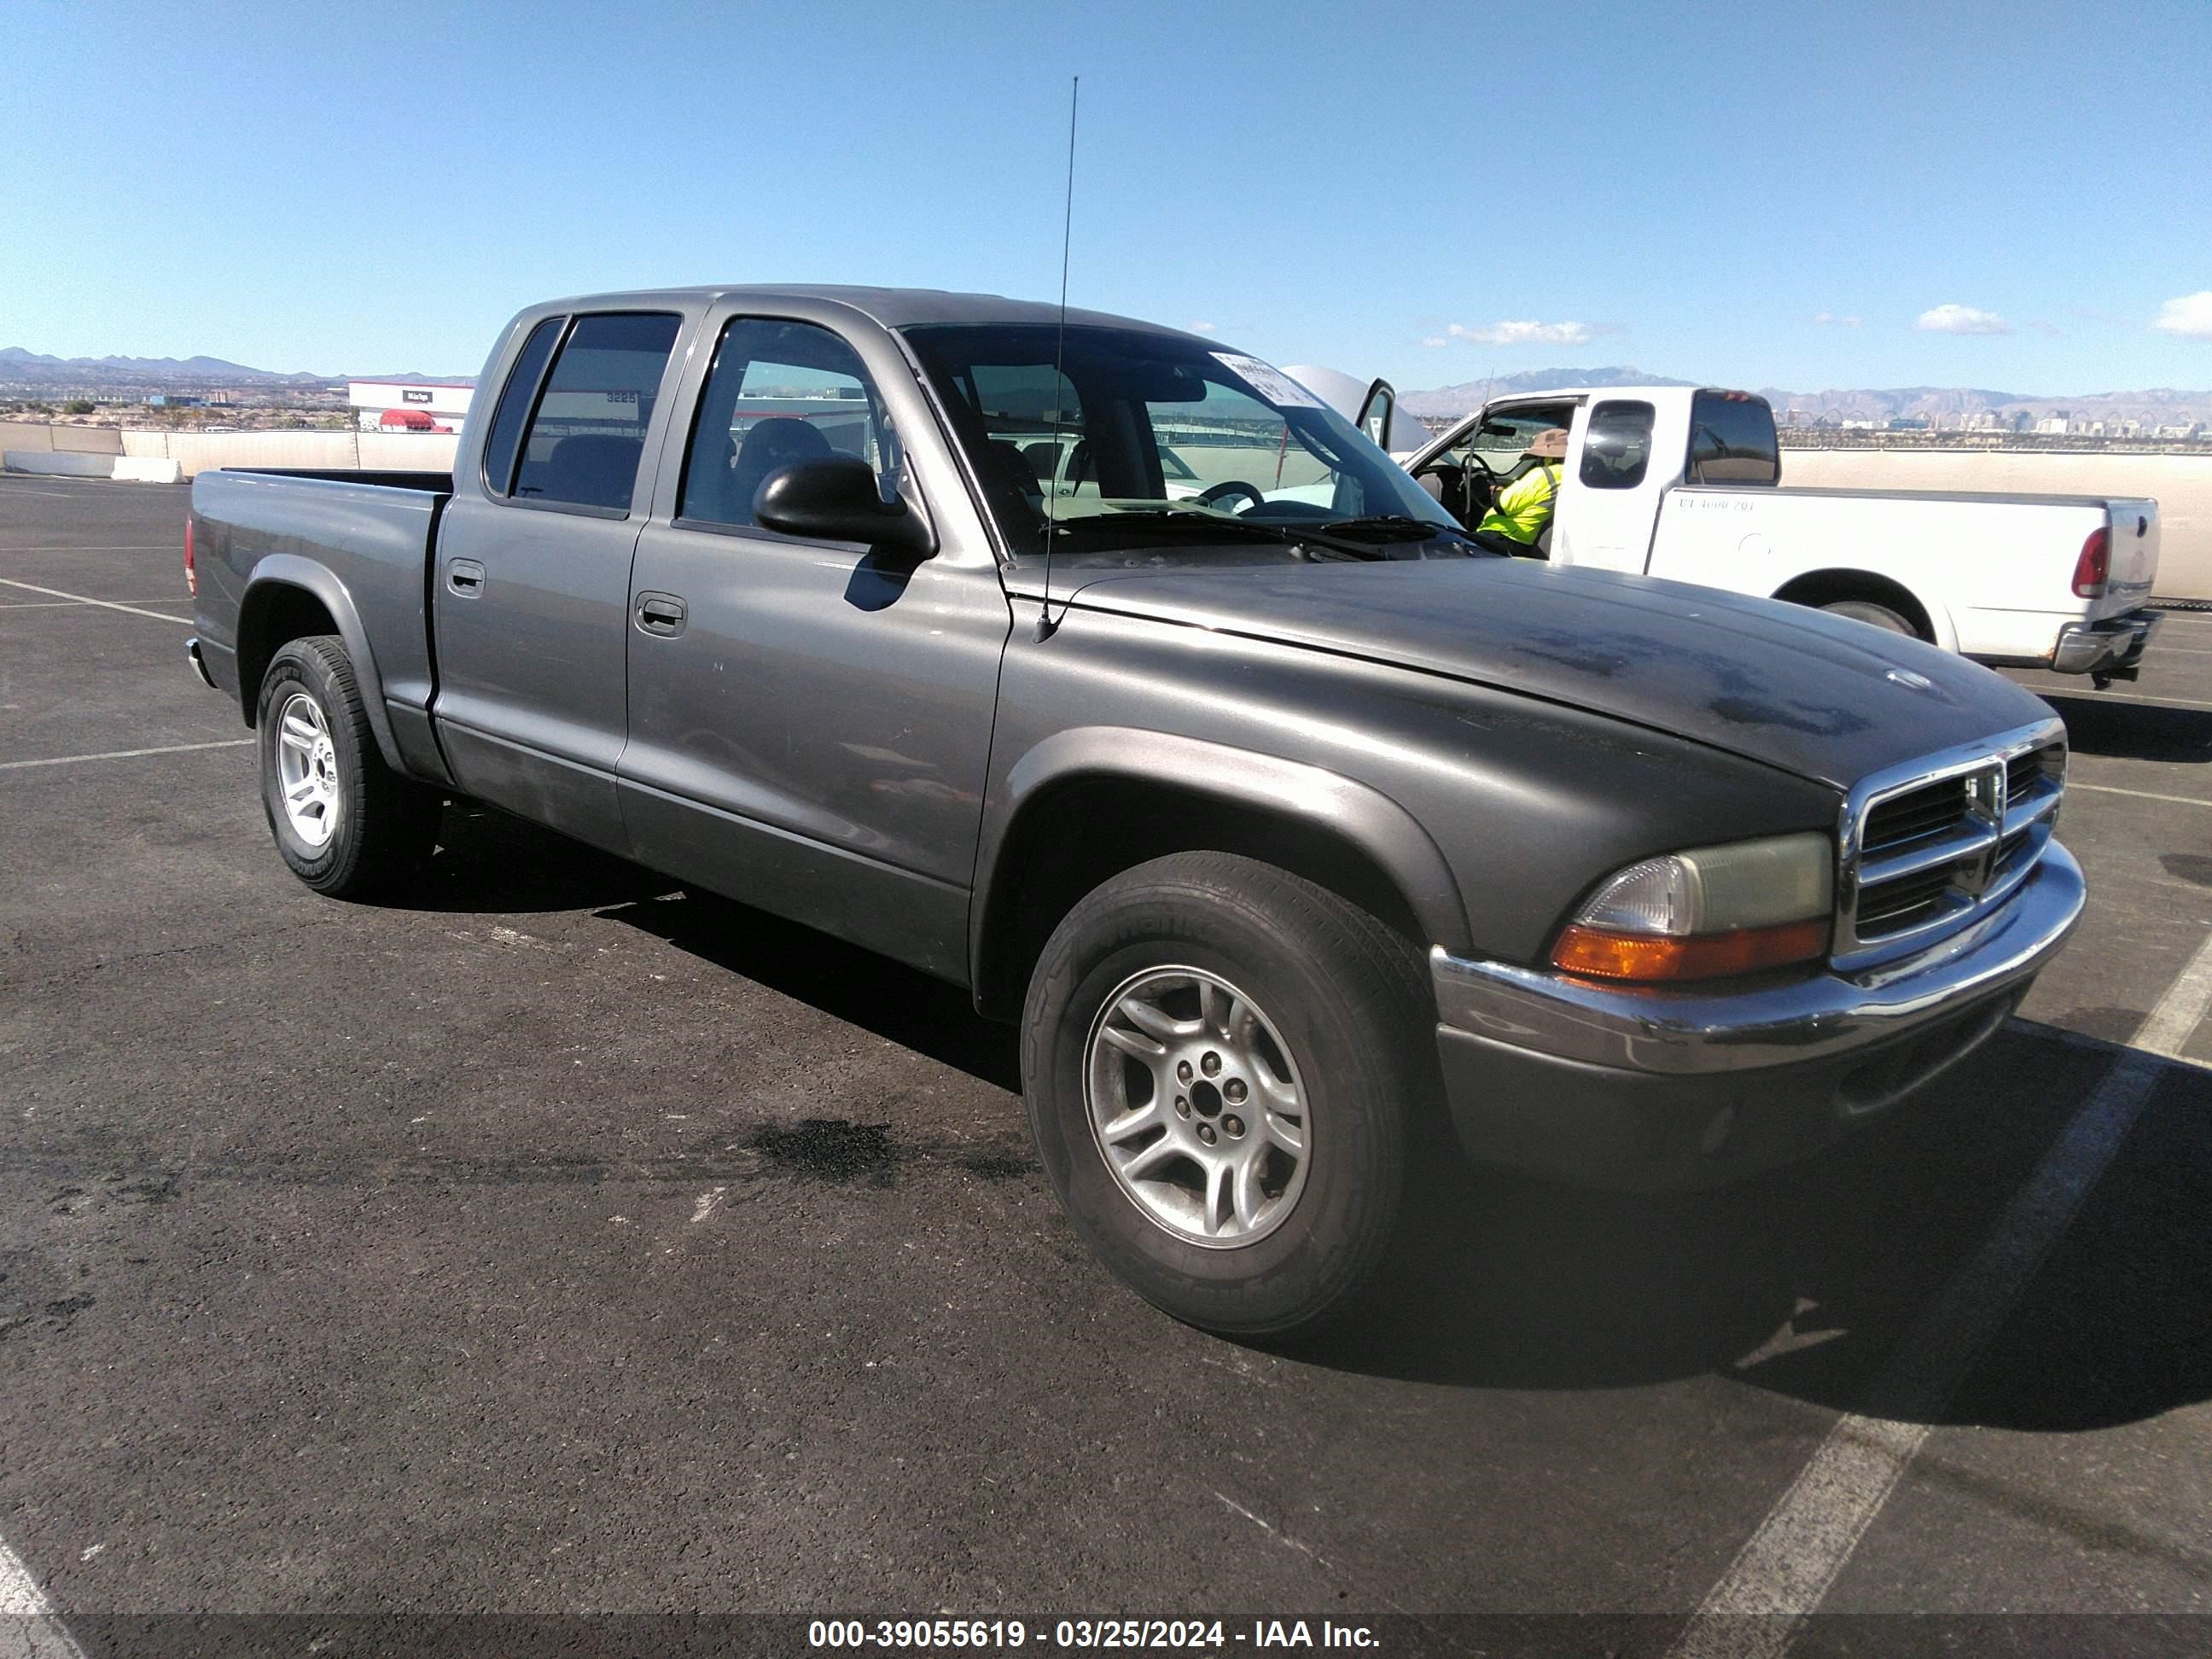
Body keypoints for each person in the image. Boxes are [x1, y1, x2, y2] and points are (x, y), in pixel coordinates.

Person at [1470, 427, 1568, 557]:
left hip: (1504, 535)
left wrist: (1496, 492)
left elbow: (1504, 505)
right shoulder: (1567, 474)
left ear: (1547, 457)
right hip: (1523, 542)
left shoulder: (1543, 475)